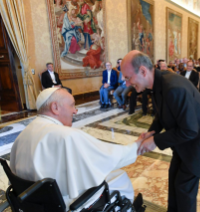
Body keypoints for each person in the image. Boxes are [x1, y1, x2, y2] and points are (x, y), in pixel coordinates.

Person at [121, 50, 200, 212]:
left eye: (128, 78)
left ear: (143, 71)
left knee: (183, 187)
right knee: (174, 179)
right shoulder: (158, 82)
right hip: (185, 142)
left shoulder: (173, 87)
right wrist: (152, 132)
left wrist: (155, 141)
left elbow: (190, 130)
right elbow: (162, 112)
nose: (127, 83)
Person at [10, 87, 144, 211]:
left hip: (33, 203)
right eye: (72, 105)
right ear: (55, 107)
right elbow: (109, 157)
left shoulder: (23, 134)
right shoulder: (66, 135)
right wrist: (137, 146)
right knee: (119, 176)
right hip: (64, 204)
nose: (75, 110)